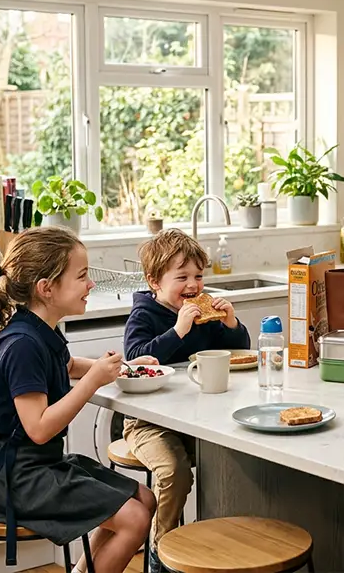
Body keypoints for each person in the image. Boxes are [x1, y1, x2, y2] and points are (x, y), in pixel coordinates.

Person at [0, 227, 156, 573]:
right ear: (46, 289)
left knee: (144, 499)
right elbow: (38, 428)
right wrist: (94, 382)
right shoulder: (22, 346)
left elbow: (71, 366)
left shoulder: (41, 330)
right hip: (13, 478)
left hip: (38, 465)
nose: (90, 285)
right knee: (134, 518)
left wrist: (125, 368)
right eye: (81, 276)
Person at [123, 228, 250, 573]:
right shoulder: (145, 315)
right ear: (154, 282)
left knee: (237, 456)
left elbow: (240, 350)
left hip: (198, 417)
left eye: (198, 276)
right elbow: (135, 358)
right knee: (175, 472)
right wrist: (177, 331)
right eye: (182, 277)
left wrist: (231, 322)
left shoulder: (203, 313)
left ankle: (218, 549)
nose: (193, 285)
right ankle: (159, 552)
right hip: (147, 423)